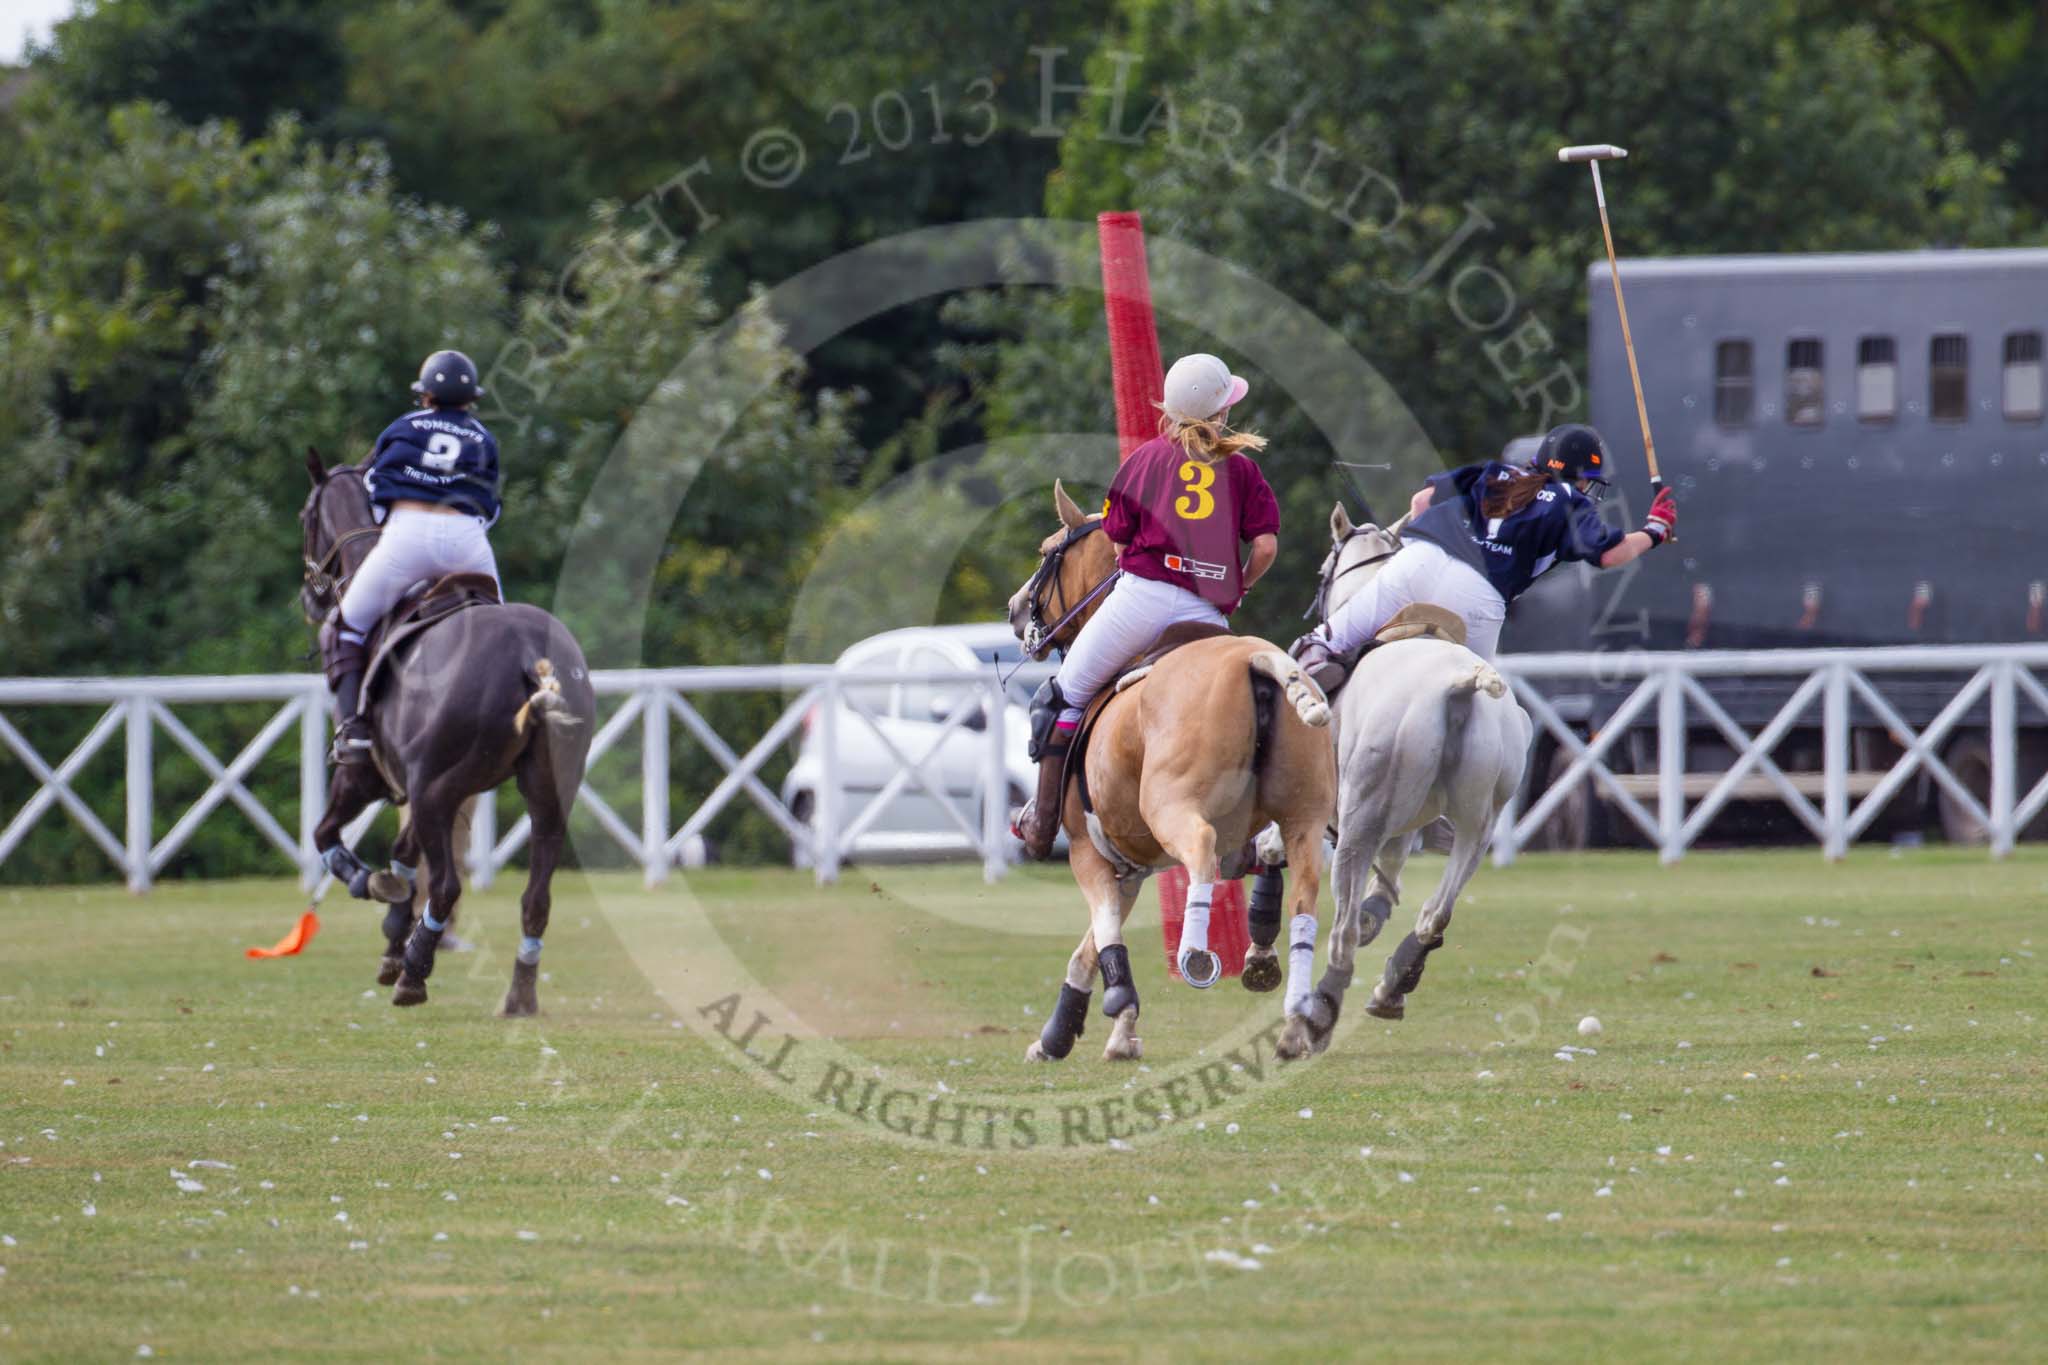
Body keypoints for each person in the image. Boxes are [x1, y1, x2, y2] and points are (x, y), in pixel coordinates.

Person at [1012, 353, 1283, 860]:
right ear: (1219, 414)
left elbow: (1116, 543)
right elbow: (1264, 548)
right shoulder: (1244, 470)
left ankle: (1043, 820)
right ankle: (1251, 829)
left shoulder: (1143, 460)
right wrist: (1238, 585)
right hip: (1206, 615)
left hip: (1141, 600)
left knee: (1063, 695)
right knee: (1254, 703)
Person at [1290, 422, 1676, 693]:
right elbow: (1610, 555)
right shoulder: (1568, 501)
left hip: (1418, 563)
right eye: (1586, 481)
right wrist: (1654, 531)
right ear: (1577, 476)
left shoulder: (1491, 471)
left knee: (1323, 642)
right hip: (1478, 599)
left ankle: (1285, 715)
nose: (1586, 488)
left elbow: (1420, 502)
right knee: (1482, 703)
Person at [324, 350, 503, 763]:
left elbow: (375, 486)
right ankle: (535, 712)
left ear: (425, 397)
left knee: (345, 626)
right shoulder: (482, 437)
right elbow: (490, 507)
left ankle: (352, 730)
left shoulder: (403, 426)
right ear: (469, 401)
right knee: (505, 628)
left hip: (408, 536)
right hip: (466, 540)